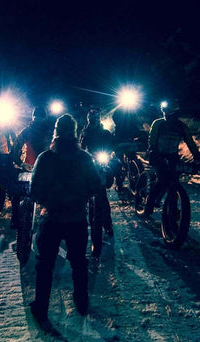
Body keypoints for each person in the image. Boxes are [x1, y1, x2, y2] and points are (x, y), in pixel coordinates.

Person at [29, 114, 101, 329]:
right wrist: (81, 198)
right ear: (76, 132)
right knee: (79, 262)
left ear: (56, 131)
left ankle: (41, 308)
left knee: (45, 265)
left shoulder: (45, 158)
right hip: (77, 218)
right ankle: (82, 302)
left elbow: (34, 190)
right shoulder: (85, 158)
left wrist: (49, 202)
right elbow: (96, 186)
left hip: (51, 217)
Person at [141, 102, 200, 217]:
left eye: (168, 112)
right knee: (162, 180)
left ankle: (172, 207)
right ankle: (149, 203)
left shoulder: (181, 127)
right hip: (158, 155)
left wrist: (199, 157)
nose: (166, 115)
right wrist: (154, 152)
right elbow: (152, 141)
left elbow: (190, 143)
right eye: (165, 112)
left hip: (172, 157)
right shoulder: (158, 123)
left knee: (173, 180)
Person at [9, 106, 53, 229]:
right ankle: (15, 218)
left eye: (40, 119)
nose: (38, 122)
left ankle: (16, 218)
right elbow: (15, 150)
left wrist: (21, 163)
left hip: (36, 168)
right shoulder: (48, 131)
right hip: (32, 168)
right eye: (37, 119)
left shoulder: (48, 132)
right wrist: (21, 164)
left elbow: (15, 150)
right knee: (17, 192)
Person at [80, 108, 115, 240]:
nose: (94, 122)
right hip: (89, 163)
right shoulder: (85, 132)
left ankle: (108, 225)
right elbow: (82, 148)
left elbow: (111, 145)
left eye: (95, 119)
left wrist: (111, 153)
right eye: (92, 120)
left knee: (103, 196)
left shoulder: (105, 132)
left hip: (101, 163)